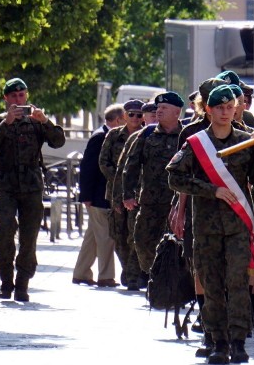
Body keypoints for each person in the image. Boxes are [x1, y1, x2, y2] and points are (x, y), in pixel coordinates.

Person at [167, 85, 254, 364]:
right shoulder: (195, 143)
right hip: (205, 227)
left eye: (230, 107)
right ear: (209, 110)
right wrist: (210, 190)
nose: (226, 112)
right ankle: (217, 340)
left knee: (238, 282)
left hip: (238, 226)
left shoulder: (246, 143)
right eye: (220, 108)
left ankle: (238, 341)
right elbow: (174, 178)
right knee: (212, 284)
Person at [0, 77, 66, 302]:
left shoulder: (37, 121)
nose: (18, 100)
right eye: (13, 96)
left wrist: (45, 121)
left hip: (31, 186)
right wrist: (6, 123)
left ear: (26, 95)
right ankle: (6, 282)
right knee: (5, 233)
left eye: (22, 95)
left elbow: (58, 141)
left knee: (29, 238)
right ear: (6, 98)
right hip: (7, 186)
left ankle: (22, 284)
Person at [123, 92, 184, 278]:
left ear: (177, 112)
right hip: (150, 202)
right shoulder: (147, 134)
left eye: (164, 108)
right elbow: (131, 164)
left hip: (176, 204)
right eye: (158, 108)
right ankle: (154, 275)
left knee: (176, 245)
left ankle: (172, 282)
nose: (159, 111)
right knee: (142, 242)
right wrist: (128, 193)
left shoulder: (187, 134)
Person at [72, 104, 124, 288]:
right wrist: (86, 195)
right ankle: (106, 276)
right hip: (98, 196)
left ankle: (81, 273)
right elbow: (87, 169)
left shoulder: (104, 135)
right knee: (105, 237)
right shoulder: (100, 137)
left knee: (93, 238)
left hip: (98, 195)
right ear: (117, 120)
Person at [99, 99, 145, 289]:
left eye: (139, 114)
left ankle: (133, 275)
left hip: (138, 194)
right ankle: (127, 269)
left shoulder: (146, 135)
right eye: (131, 114)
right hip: (116, 192)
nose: (135, 118)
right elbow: (103, 162)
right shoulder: (113, 135)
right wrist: (120, 178)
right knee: (119, 234)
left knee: (135, 235)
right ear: (124, 116)